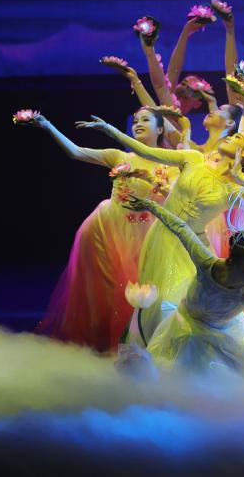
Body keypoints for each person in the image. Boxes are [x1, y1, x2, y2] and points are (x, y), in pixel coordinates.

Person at [77, 115, 244, 339]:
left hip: (195, 246)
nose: (231, 137)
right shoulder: (193, 158)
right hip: (163, 237)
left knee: (190, 301)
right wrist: (110, 129)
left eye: (237, 138)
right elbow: (146, 152)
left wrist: (240, 177)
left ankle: (187, 349)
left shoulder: (234, 189)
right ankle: (159, 347)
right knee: (161, 300)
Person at [23, 109, 176, 351]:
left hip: (149, 233)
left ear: (160, 129)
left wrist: (152, 180)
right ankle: (105, 343)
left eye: (145, 120)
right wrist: (48, 125)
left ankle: (140, 343)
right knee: (109, 289)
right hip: (110, 229)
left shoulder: (171, 163)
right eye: (135, 120)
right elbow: (76, 152)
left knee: (145, 289)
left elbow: (175, 197)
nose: (138, 124)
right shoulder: (119, 156)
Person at [121, 195, 244, 390]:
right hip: (187, 326)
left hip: (223, 338)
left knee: (229, 386)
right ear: (232, 262)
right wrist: (150, 205)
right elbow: (181, 228)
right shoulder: (206, 263)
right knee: (178, 382)